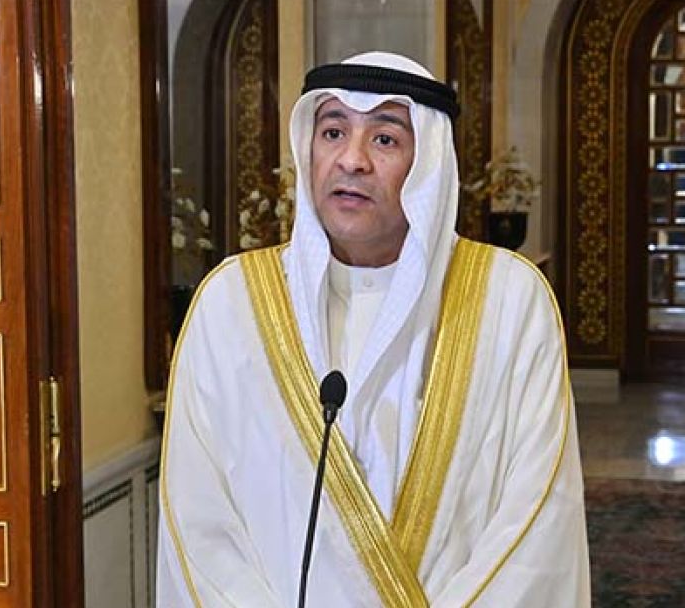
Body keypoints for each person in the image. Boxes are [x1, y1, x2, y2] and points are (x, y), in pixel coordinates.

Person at [157, 51, 590, 607]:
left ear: (428, 165)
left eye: (385, 139)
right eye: (333, 132)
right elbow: (198, 520)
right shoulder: (230, 303)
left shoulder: (509, 300)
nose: (351, 160)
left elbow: (536, 519)